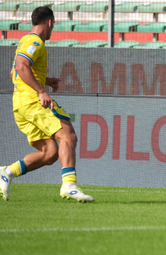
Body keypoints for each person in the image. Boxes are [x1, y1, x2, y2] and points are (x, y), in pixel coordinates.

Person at [0, 6, 94, 202]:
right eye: (54, 24)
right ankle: (69, 186)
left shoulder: (24, 41)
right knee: (68, 135)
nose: (53, 28)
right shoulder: (35, 41)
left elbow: (14, 73)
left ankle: (7, 172)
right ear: (49, 22)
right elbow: (21, 66)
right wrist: (41, 90)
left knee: (50, 153)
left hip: (20, 105)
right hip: (33, 102)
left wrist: (45, 80)